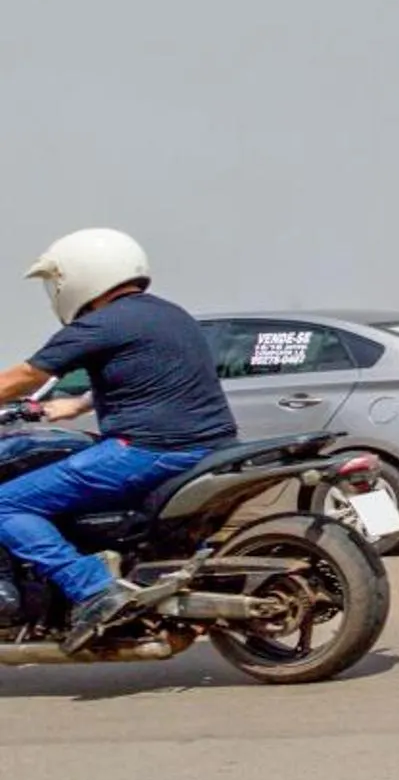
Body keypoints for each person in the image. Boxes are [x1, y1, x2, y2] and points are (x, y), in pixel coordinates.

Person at [0, 229, 236, 639]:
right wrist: (78, 405)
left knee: (4, 504)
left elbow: (24, 376)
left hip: (149, 451)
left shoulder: (100, 323)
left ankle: (92, 588)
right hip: (208, 447)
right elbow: (149, 376)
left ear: (75, 277)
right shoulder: (167, 313)